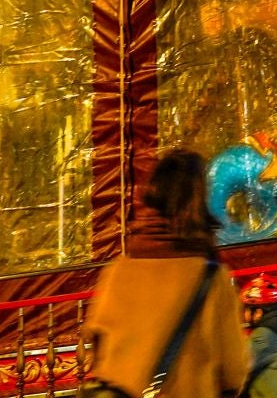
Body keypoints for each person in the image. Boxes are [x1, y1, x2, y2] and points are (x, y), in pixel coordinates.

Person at [82, 151, 249, 398]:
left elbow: (96, 350)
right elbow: (234, 372)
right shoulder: (211, 278)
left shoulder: (117, 271)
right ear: (199, 201)